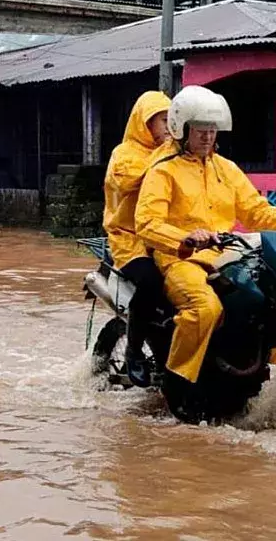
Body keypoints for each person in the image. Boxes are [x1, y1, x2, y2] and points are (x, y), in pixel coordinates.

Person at [134, 85, 276, 385]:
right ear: (182, 129)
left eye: (212, 130)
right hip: (181, 259)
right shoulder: (163, 171)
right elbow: (146, 222)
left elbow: (255, 210)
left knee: (272, 297)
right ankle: (177, 380)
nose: (208, 137)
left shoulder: (227, 169)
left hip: (228, 255)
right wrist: (185, 238)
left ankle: (261, 368)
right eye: (200, 130)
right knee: (205, 309)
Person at [102, 90, 172, 387]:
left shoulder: (175, 155)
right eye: (163, 121)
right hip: (129, 239)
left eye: (173, 121)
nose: (169, 128)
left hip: (166, 237)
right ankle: (133, 350)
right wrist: (166, 153)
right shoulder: (125, 154)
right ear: (145, 123)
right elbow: (129, 181)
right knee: (151, 282)